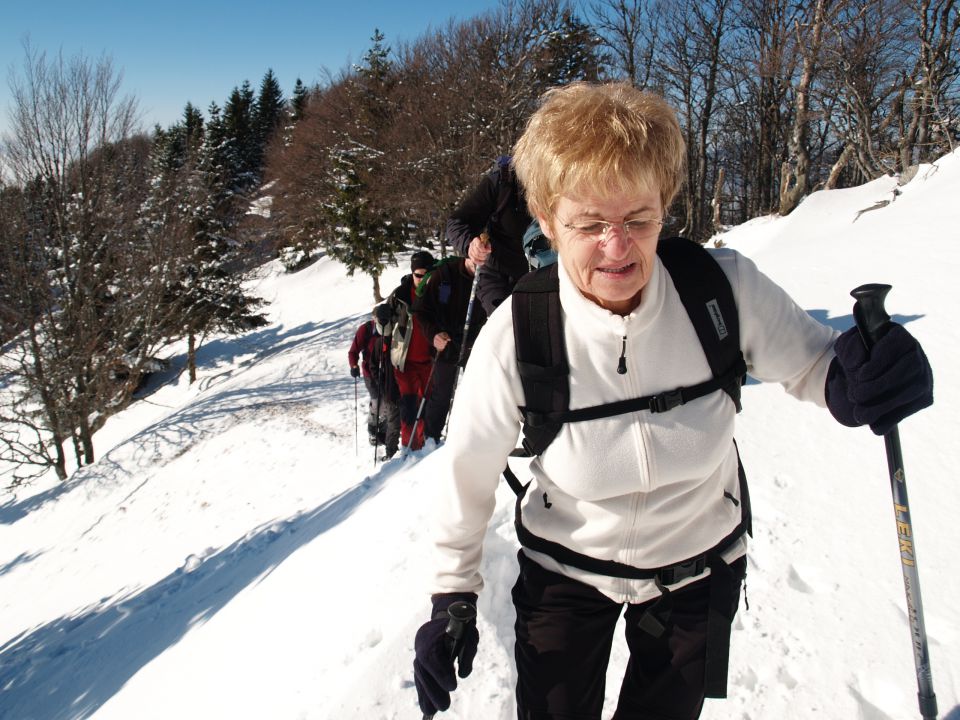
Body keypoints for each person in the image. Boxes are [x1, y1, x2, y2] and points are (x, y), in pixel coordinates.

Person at [412, 82, 934, 720]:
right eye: (589, 224)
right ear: (547, 220)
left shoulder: (719, 289)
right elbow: (467, 473)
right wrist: (452, 597)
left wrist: (866, 378)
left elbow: (816, 363)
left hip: (698, 567)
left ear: (664, 205)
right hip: (567, 573)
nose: (618, 245)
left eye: (638, 218)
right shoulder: (521, 330)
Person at [412, 254, 487, 444]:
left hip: (476, 340)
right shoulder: (444, 274)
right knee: (442, 393)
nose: (479, 263)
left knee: (479, 390)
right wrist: (434, 334)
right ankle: (431, 439)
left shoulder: (490, 275)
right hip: (446, 341)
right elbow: (421, 311)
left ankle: (476, 437)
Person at [447, 156, 533, 315]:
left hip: (546, 274)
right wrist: (470, 245)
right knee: (507, 327)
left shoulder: (565, 182)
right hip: (500, 275)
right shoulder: (504, 181)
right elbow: (457, 222)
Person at [383, 250, 436, 452]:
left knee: (428, 405)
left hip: (429, 361)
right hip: (404, 363)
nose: (422, 280)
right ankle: (409, 448)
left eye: (426, 275)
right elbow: (384, 329)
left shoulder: (437, 293)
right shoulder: (400, 295)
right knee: (410, 405)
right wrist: (382, 318)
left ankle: (425, 447)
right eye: (418, 275)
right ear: (412, 273)